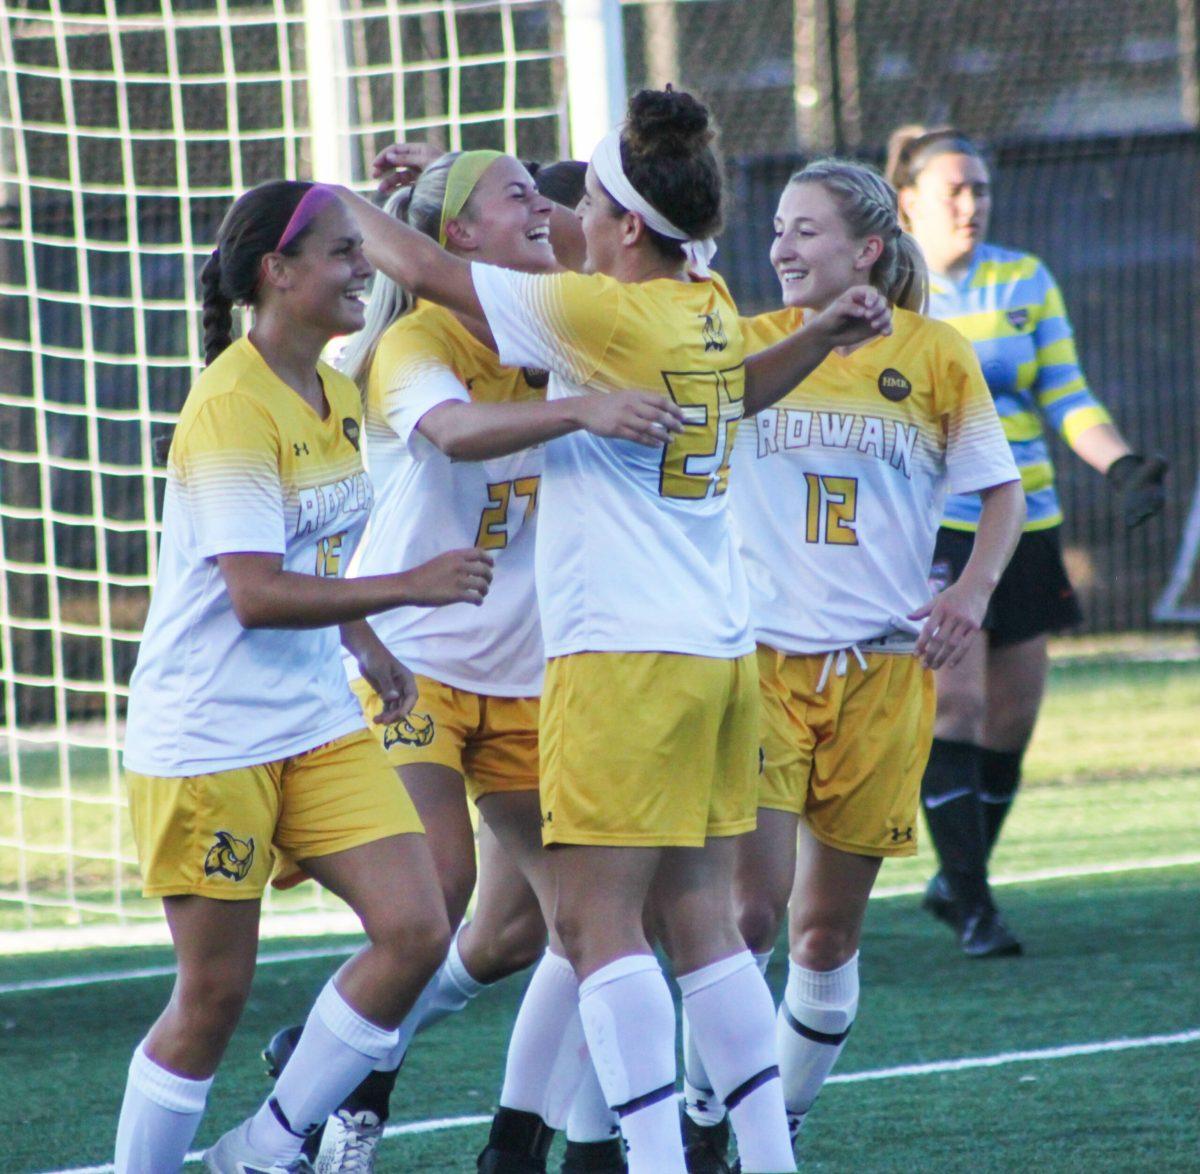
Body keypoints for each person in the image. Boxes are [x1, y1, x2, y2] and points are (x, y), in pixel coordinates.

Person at [334, 87, 893, 1174]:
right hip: (723, 652)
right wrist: (822, 333)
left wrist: (332, 199)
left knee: (593, 930)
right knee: (700, 924)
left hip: (622, 658)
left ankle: (647, 1156)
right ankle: (766, 1159)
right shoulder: (708, 298)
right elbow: (733, 392)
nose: (566, 213)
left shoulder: (595, 314)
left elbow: (428, 267)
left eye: (585, 198)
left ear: (627, 226)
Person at [268, 150, 656, 1174]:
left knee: (540, 933)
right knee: (433, 892)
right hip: (416, 661)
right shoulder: (416, 341)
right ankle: (284, 1129)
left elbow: (606, 228)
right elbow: (455, 430)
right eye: (513, 193)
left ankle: (370, 1069)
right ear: (459, 244)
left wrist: (450, 189)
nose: (545, 206)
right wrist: (580, 407)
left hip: (531, 677)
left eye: (546, 190)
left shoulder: (575, 316)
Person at [113, 179, 495, 1174]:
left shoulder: (335, 388)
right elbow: (253, 592)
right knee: (213, 999)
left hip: (314, 720)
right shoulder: (233, 405)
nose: (362, 269)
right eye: (339, 252)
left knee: (416, 929)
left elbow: (315, 553)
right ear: (276, 275)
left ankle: (265, 1148)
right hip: (209, 739)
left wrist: (369, 642)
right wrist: (409, 586)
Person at [674, 158, 1025, 1172]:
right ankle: (711, 1120)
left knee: (823, 941)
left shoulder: (934, 354)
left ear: (868, 248)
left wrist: (968, 595)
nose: (780, 246)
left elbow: (998, 493)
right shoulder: (748, 346)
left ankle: (770, 1119)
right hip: (760, 668)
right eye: (776, 229)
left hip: (882, 678)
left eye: (806, 230)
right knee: (747, 912)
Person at [885, 127, 1168, 956]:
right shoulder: (893, 292)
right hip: (939, 527)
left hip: (1027, 522)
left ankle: (957, 878)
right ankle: (975, 906)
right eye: (953, 191)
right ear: (908, 204)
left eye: (980, 190)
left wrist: (1119, 467)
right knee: (959, 703)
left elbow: (1066, 394)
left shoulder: (1024, 278)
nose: (971, 205)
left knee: (1012, 719)